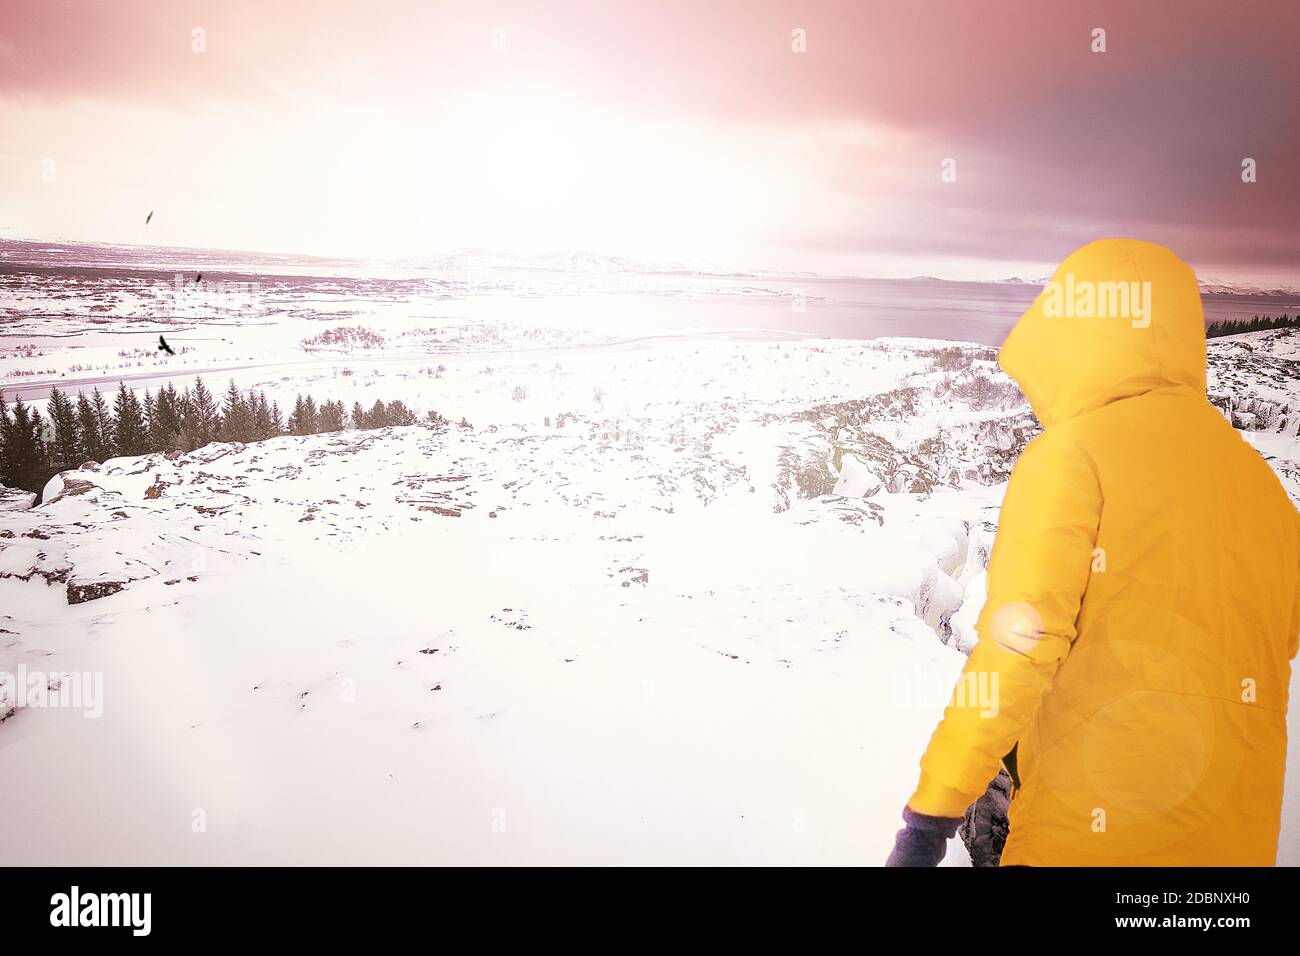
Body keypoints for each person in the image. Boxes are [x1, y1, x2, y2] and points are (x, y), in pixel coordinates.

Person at [887, 239, 1300, 866]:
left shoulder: (1074, 458)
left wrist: (929, 816)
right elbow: (1271, 642)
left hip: (1085, 840)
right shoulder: (1264, 488)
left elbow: (1017, 650)